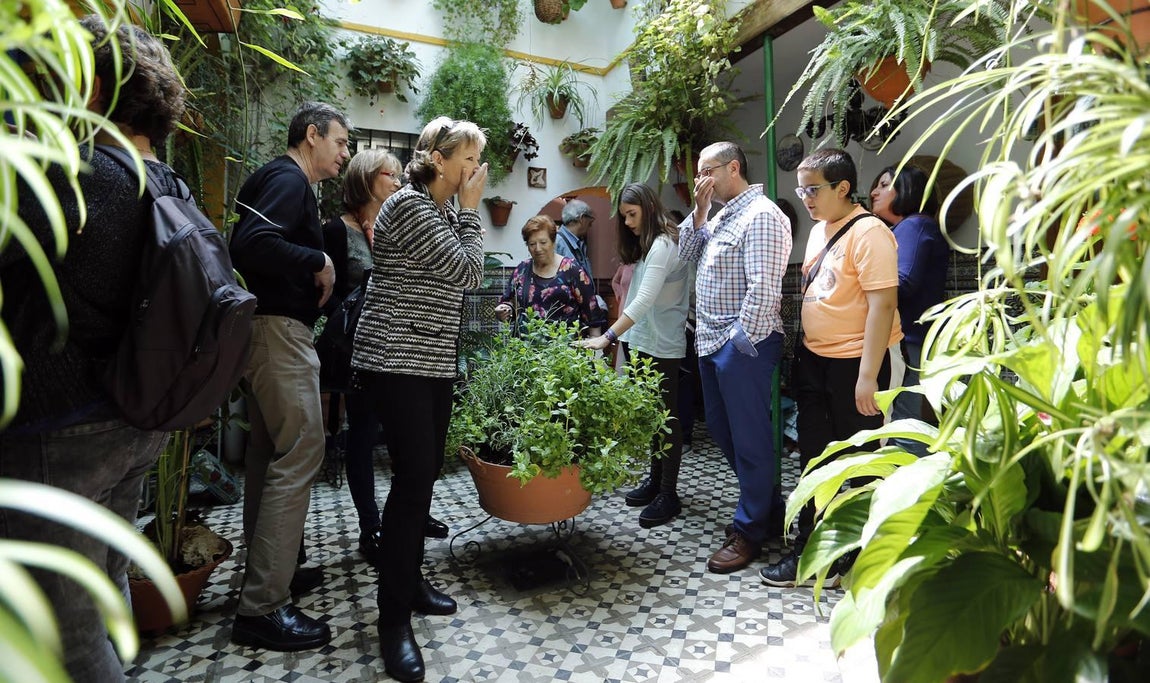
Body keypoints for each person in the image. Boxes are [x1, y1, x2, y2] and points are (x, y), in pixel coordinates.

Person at [0, 16, 184, 681]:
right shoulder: (169, 183)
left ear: (94, 83)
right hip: (136, 423)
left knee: (68, 636)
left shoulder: (77, 175)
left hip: (61, 430)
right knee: (103, 596)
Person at [351, 116, 488, 682]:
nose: (475, 171)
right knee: (411, 484)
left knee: (423, 475)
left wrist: (463, 212)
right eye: (469, 160)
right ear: (438, 159)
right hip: (396, 360)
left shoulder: (435, 210)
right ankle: (392, 622)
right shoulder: (408, 205)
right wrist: (475, 210)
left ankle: (406, 583)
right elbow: (468, 271)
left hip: (427, 362)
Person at [228, 101, 349, 651]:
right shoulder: (287, 177)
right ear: (310, 135)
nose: (344, 153)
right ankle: (263, 607)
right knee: (303, 449)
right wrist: (317, 262)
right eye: (340, 142)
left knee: (268, 455)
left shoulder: (281, 180)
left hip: (264, 331)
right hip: (278, 335)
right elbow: (249, 245)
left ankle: (267, 573)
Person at [759, 148, 902, 588]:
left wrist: (866, 375)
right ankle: (809, 550)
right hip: (815, 359)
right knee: (814, 459)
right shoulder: (821, 231)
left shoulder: (871, 232)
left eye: (813, 188)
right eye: (801, 188)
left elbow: (883, 306)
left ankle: (851, 557)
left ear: (842, 187)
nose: (805, 197)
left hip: (856, 365)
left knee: (858, 463)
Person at [677, 142, 792, 574]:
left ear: (734, 168)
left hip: (741, 343)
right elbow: (686, 256)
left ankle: (748, 529)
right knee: (726, 434)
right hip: (710, 342)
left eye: (708, 172)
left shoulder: (761, 215)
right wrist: (700, 212)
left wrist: (738, 342)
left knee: (749, 438)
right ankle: (768, 510)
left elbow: (764, 288)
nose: (701, 180)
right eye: (698, 173)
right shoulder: (722, 214)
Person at [579, 184, 694, 528]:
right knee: (652, 418)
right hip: (642, 340)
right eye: (625, 215)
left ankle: (669, 493)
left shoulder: (662, 244)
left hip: (663, 345)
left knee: (668, 421)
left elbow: (642, 300)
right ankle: (656, 481)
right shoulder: (647, 245)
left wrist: (609, 337)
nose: (627, 222)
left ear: (647, 206)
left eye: (632, 214)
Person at [869, 164, 949, 456]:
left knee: (904, 426)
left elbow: (902, 283)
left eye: (884, 184)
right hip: (912, 340)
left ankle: (915, 497)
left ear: (908, 189)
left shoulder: (914, 225)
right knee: (903, 422)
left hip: (909, 342)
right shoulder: (907, 228)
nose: (874, 191)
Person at [494, 215, 607, 334]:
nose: (538, 249)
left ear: (553, 242)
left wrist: (595, 343)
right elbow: (509, 302)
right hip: (525, 347)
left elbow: (592, 312)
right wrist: (504, 310)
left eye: (543, 242)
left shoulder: (572, 270)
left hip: (562, 348)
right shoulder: (522, 269)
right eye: (532, 244)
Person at [556, 198, 607, 311]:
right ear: (581, 218)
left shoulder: (578, 244)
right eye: (590, 222)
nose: (590, 226)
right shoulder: (558, 242)